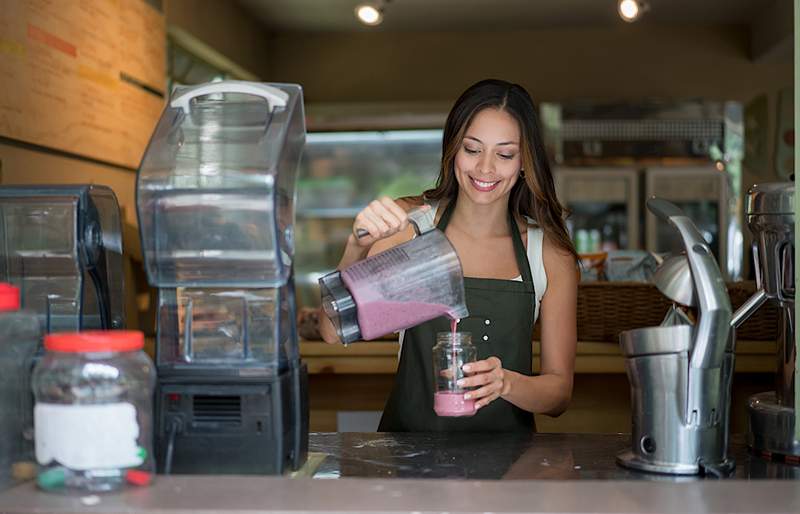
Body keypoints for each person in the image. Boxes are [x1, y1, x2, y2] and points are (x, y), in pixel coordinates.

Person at [319, 79, 578, 432]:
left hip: (508, 470)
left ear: (524, 162)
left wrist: (506, 383)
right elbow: (332, 330)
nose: (485, 169)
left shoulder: (547, 253)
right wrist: (356, 245)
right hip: (407, 461)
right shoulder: (413, 228)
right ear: (453, 149)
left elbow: (559, 393)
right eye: (472, 149)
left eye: (504, 154)